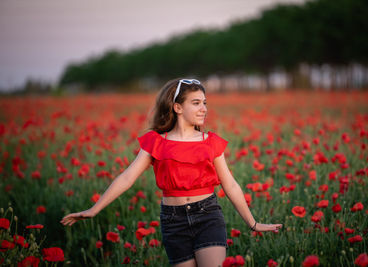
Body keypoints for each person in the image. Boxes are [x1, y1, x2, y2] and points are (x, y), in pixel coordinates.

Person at [60, 78, 282, 267]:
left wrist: (253, 223)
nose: (203, 108)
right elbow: (127, 177)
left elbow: (230, 184)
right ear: (177, 107)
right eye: (196, 103)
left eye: (204, 103)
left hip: (207, 216)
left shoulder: (210, 142)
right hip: (173, 221)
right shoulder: (156, 142)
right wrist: (94, 209)